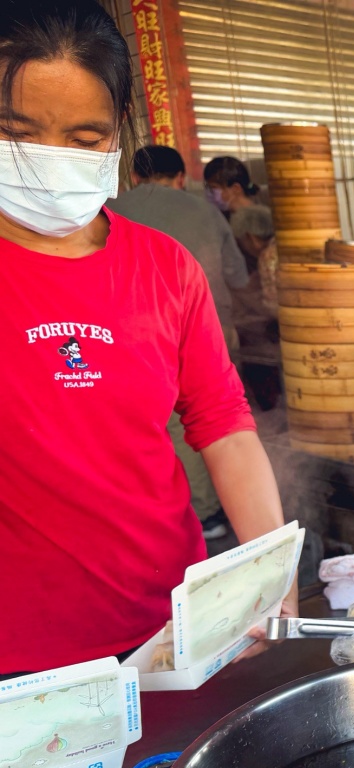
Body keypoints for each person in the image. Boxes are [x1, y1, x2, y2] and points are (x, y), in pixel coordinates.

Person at [0, 0, 294, 673]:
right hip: (19, 666)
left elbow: (222, 422)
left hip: (173, 636)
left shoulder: (164, 268)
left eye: (82, 138)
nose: (51, 159)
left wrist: (271, 568)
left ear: (119, 135)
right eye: (18, 132)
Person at [108, 144, 250, 539]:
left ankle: (203, 512)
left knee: (172, 423)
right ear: (181, 178)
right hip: (217, 333)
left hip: (143, 341)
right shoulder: (207, 211)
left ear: (133, 177)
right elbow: (238, 277)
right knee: (224, 419)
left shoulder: (110, 213)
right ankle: (230, 509)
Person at [228, 203, 282, 411]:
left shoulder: (267, 256)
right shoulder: (280, 246)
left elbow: (271, 306)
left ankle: (269, 406)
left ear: (250, 237)